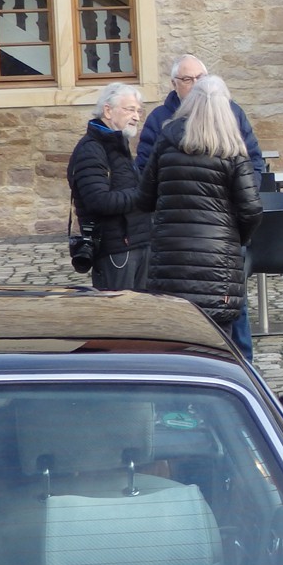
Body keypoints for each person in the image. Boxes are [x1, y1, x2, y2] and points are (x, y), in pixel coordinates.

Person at [137, 75, 264, 360]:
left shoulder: (166, 140)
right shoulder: (231, 148)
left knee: (175, 349)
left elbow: (144, 197)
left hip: (170, 260)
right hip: (217, 265)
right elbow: (251, 209)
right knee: (219, 350)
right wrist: (235, 238)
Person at [65, 83, 151, 290]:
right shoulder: (91, 149)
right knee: (118, 310)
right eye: (130, 109)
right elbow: (99, 200)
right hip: (115, 249)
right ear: (108, 110)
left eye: (139, 111)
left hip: (137, 244)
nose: (136, 117)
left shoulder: (118, 143)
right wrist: (143, 195)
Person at [136, 53, 266, 176]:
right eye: (187, 79)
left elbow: (253, 160)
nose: (196, 84)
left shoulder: (232, 112)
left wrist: (248, 189)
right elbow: (145, 167)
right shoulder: (158, 118)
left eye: (200, 77)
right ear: (174, 84)